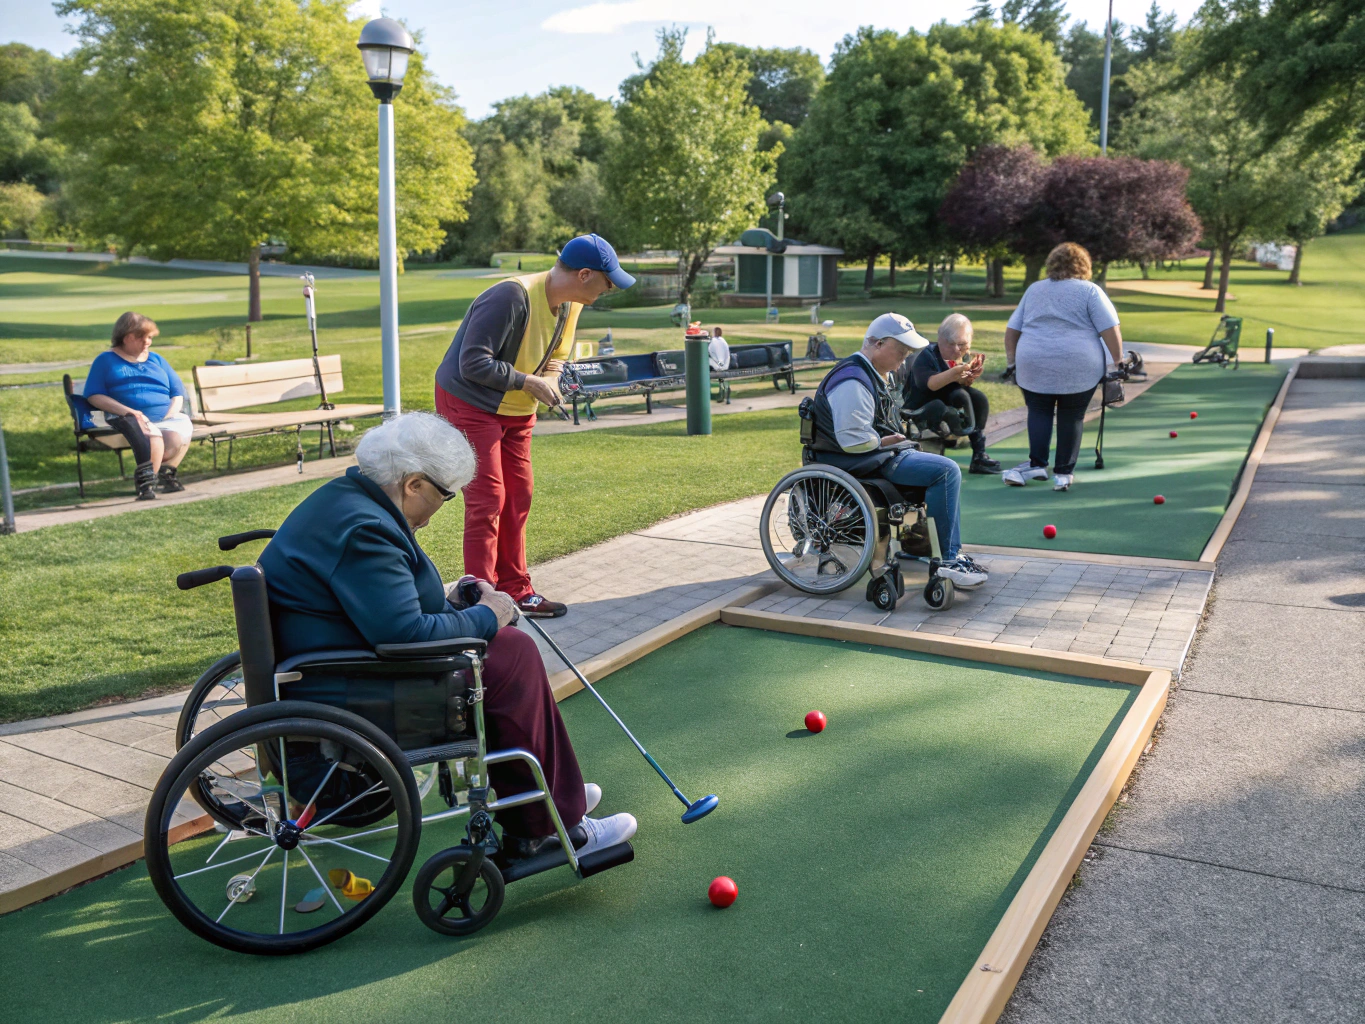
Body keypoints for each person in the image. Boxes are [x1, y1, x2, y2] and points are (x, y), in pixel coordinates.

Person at [257, 411, 637, 860]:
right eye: (445, 495)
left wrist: (455, 600)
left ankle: (553, 796)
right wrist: (486, 616)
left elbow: (382, 603)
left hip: (334, 663)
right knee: (511, 652)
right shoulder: (368, 529)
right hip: (350, 683)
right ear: (413, 483)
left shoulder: (350, 500)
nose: (440, 511)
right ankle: (543, 827)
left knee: (508, 649)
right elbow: (405, 633)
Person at [435, 234, 636, 618]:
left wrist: (554, 379)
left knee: (519, 494)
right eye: (607, 280)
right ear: (584, 274)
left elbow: (558, 355)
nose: (610, 288)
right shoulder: (509, 296)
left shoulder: (571, 304)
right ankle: (481, 600)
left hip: (516, 407)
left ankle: (517, 590)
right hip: (471, 401)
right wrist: (530, 382)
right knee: (488, 498)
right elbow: (472, 364)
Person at [807, 313, 989, 589]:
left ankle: (943, 552)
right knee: (945, 470)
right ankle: (948, 559)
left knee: (941, 468)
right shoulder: (853, 381)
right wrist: (885, 442)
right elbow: (852, 441)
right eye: (901, 351)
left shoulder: (873, 373)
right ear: (877, 343)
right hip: (863, 461)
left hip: (875, 456)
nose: (904, 359)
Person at [1003, 243, 1124, 491]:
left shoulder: (1034, 290)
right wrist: (1119, 361)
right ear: (1084, 266)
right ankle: (1063, 474)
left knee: (1038, 411)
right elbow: (1110, 329)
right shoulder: (1090, 291)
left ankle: (1037, 464)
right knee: (1072, 415)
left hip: (1033, 361)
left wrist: (1012, 362)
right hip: (1079, 364)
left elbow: (1012, 331)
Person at [83, 312, 193, 500]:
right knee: (154, 436)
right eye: (145, 338)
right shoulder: (106, 361)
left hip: (164, 418)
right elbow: (94, 395)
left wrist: (172, 411)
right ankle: (147, 484)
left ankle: (166, 473)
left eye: (150, 337)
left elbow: (177, 391)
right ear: (128, 338)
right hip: (126, 417)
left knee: (179, 432)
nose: (148, 342)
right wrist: (131, 412)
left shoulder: (156, 359)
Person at [902, 313, 1001, 474]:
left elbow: (959, 384)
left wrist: (967, 378)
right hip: (921, 401)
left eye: (962, 344)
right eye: (951, 344)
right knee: (942, 406)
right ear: (940, 339)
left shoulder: (963, 356)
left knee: (977, 398)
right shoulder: (926, 355)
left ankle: (979, 455)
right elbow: (930, 385)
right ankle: (943, 446)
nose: (957, 350)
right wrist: (956, 372)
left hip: (945, 396)